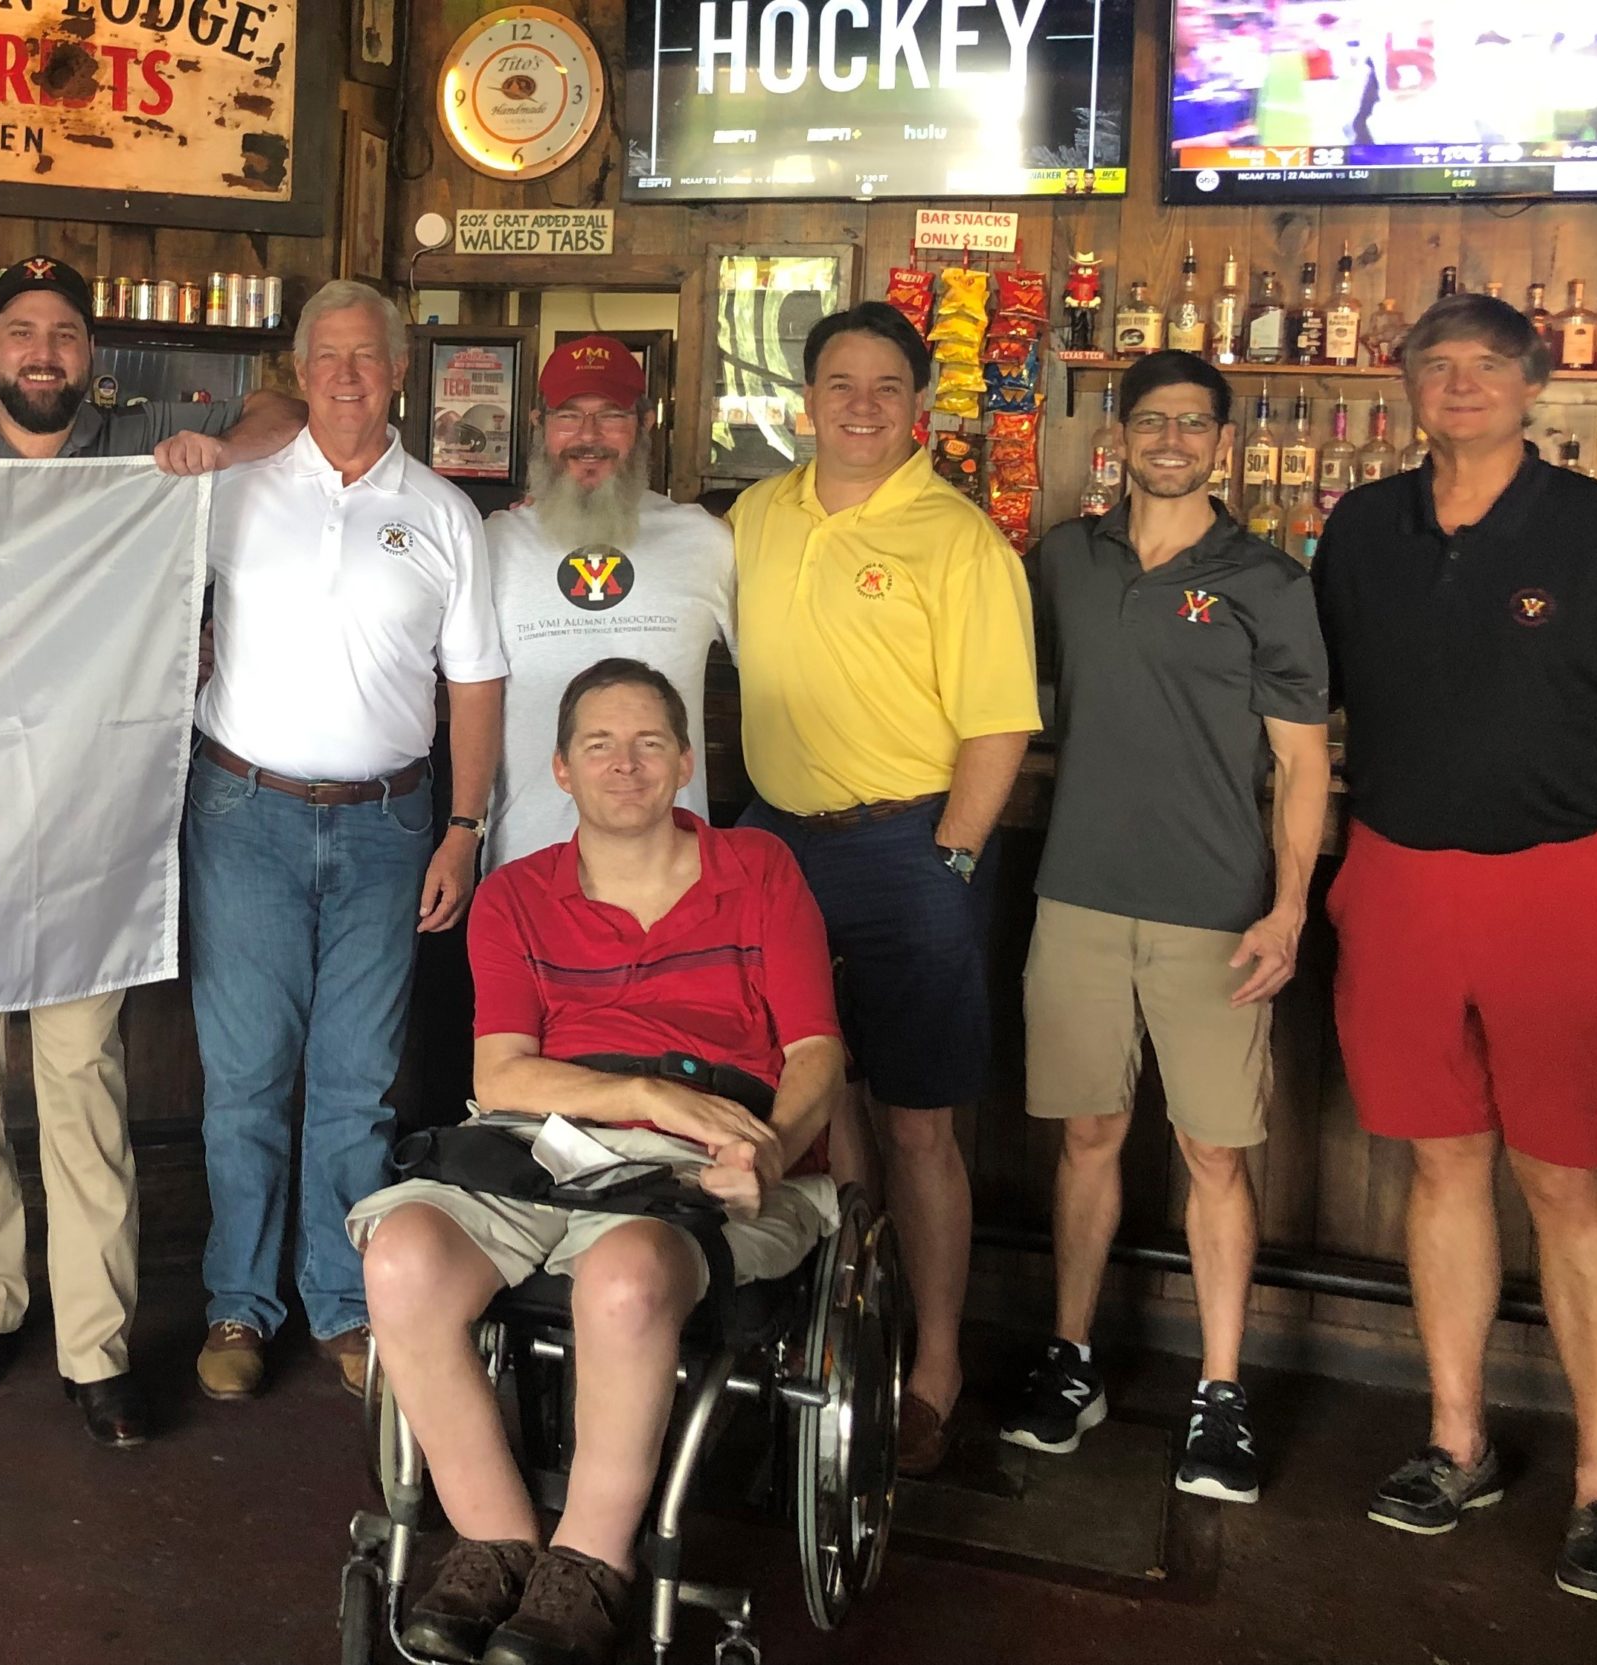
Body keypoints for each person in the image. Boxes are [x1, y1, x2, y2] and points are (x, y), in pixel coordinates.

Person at [1313, 293, 1597, 1605]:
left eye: (1487, 366)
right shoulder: (1361, 528)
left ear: (1534, 386)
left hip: (1563, 889)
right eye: (1437, 366)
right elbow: (1307, 720)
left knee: (1569, 1186)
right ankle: (1455, 1438)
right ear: (1406, 388)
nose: (1462, 384)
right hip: (1397, 880)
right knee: (1441, 1168)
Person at [0, 255, 305, 1448]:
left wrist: (212, 453)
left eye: (64, 333)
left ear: (93, 357)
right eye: (23, 332)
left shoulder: (142, 453)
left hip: (86, 818)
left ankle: (95, 1346)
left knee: (81, 1081)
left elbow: (287, 412)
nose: (44, 353)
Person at [351, 658, 842, 1665]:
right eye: (600, 746)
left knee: (623, 1279)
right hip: (546, 1149)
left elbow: (813, 1054)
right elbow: (504, 1074)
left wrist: (774, 1151)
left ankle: (589, 1566)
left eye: (650, 743)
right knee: (399, 1254)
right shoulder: (516, 897)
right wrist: (646, 1096)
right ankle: (497, 1542)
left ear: (687, 764)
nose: (626, 765)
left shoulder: (759, 872)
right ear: (561, 771)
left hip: (718, 1153)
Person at [1003, 351, 1329, 1505]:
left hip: (1214, 909)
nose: (1173, 440)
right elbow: (995, 692)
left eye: (1194, 423)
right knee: (1086, 1139)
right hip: (1077, 892)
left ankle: (1222, 1394)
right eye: (1153, 422)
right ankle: (1072, 1357)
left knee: (1215, 1156)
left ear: (1223, 445)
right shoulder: (1065, 561)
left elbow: (1303, 763)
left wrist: (1290, 907)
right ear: (1120, 439)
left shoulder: (1269, 581)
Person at [723, 301, 1039, 1475]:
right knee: (813, 1093)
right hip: (776, 847)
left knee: (919, 1122)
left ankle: (937, 1365)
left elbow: (1000, 725)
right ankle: (848, 1323)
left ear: (922, 408)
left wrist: (949, 859)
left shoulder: (960, 540)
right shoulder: (756, 515)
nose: (861, 405)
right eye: (840, 384)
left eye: (886, 387)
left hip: (913, 843)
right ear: (806, 404)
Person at [190, 279, 507, 1402]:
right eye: (325, 356)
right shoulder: (230, 493)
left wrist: (466, 828)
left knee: (356, 1088)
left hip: (390, 825)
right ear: (297, 368)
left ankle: (340, 1303)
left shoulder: (446, 515)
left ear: (400, 370)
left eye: (366, 356)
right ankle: (238, 1304)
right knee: (242, 1080)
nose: (345, 374)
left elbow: (476, 685)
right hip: (243, 816)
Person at [480, 335, 731, 872]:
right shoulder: (491, 544)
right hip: (527, 864)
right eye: (568, 416)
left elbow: (782, 671)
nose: (588, 437)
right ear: (538, 424)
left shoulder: (706, 541)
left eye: (611, 416)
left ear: (643, 425)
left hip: (673, 870)